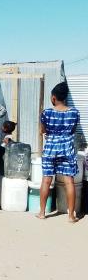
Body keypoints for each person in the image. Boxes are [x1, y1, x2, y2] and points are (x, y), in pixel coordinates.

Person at [37, 82, 80, 223]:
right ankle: (71, 216)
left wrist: (50, 133)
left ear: (53, 98)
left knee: (46, 180)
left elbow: (43, 130)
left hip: (50, 149)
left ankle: (42, 213)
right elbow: (73, 130)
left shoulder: (46, 113)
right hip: (67, 149)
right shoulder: (74, 112)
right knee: (69, 182)